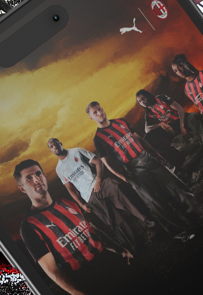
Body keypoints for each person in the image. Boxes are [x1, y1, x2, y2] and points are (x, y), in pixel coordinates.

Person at [14, 158, 133, 295]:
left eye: (38, 173)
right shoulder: (29, 226)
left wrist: (119, 249)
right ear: (22, 188)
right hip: (90, 282)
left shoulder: (67, 202)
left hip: (111, 261)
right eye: (29, 178)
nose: (36, 179)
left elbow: (92, 231)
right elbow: (53, 271)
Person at [86, 101, 202, 238]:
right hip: (133, 170)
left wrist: (155, 154)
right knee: (156, 203)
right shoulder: (99, 138)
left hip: (147, 158)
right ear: (92, 118)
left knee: (175, 188)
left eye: (100, 109)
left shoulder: (120, 122)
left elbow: (138, 138)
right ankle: (181, 232)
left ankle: (198, 217)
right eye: (95, 112)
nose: (100, 113)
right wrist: (123, 177)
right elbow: (107, 162)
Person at [47, 137, 150, 250]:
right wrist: (82, 204)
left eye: (56, 144)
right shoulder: (59, 169)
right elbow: (70, 188)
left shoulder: (76, 151)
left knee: (116, 187)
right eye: (51, 146)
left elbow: (98, 161)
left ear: (60, 143)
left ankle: (146, 220)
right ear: (51, 151)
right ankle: (136, 244)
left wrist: (99, 180)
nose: (55, 147)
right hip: (89, 196)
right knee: (112, 220)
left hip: (99, 184)